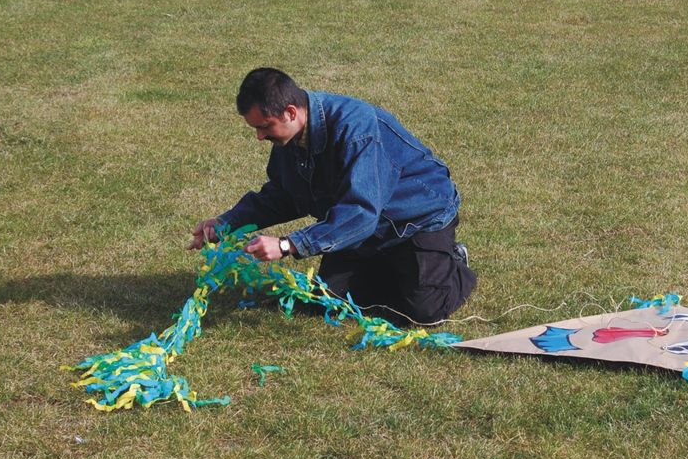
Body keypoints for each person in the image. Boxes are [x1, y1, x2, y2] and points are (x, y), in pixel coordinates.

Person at [189, 68, 477, 325]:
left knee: (425, 311)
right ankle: (398, 267)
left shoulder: (356, 129)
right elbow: (282, 195)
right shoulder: (290, 137)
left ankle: (453, 261)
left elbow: (361, 212)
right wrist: (226, 223)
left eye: (264, 127)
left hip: (416, 218)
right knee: (328, 300)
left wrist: (289, 245)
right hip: (364, 227)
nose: (260, 137)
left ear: (291, 112)